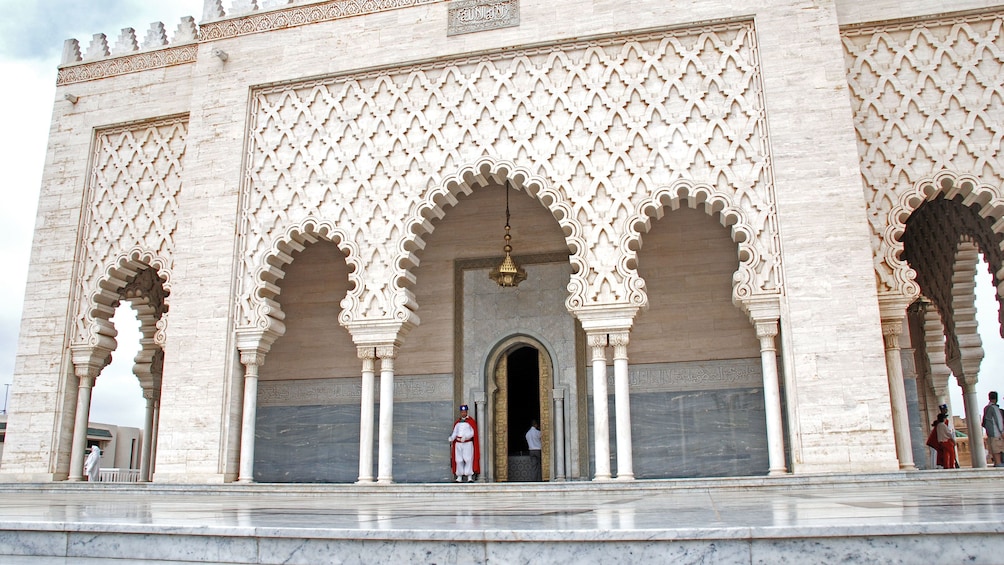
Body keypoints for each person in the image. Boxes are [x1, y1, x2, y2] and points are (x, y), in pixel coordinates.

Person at [448, 404, 480, 482]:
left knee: (468, 459)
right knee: (459, 460)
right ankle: (459, 476)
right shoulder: (458, 423)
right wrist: (452, 437)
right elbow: (455, 432)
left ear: (466, 412)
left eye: (464, 412)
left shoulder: (470, 422)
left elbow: (473, 433)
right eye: (462, 412)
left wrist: (466, 437)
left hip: (467, 443)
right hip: (458, 443)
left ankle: (469, 476)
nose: (463, 413)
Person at [982, 391, 1004, 467]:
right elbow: (999, 420)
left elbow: (983, 422)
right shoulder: (994, 408)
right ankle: (998, 463)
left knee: (993, 448)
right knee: (998, 448)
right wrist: (1002, 432)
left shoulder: (986, 408)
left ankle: (996, 462)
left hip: (990, 432)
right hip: (996, 432)